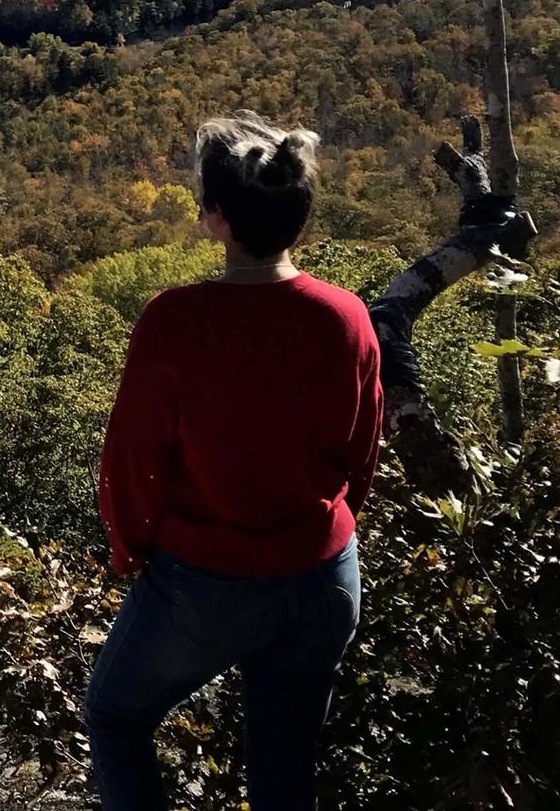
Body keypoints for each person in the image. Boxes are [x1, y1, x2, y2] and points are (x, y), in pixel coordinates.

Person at [83, 112, 379, 811]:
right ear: (301, 218)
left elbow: (133, 458)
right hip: (323, 575)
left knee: (116, 716)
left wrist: (130, 549)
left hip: (205, 583)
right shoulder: (347, 317)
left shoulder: (174, 322)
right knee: (284, 770)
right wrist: (322, 531)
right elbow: (359, 452)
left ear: (215, 218)